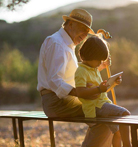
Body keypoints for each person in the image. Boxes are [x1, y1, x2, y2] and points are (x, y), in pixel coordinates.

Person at [37, 9, 113, 147]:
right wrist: (78, 92)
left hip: (63, 100)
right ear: (70, 24)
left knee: (107, 111)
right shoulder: (57, 43)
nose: (85, 35)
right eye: (83, 29)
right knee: (105, 113)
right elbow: (54, 80)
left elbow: (75, 74)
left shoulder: (67, 45)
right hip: (56, 102)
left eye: (87, 32)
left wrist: (98, 67)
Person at [75, 36, 132, 147]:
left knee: (118, 132)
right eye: (99, 60)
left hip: (102, 103)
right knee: (125, 114)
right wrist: (98, 89)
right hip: (95, 106)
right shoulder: (81, 71)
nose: (100, 63)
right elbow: (80, 92)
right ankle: (128, 145)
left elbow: (101, 91)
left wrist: (113, 83)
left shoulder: (93, 69)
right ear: (90, 56)